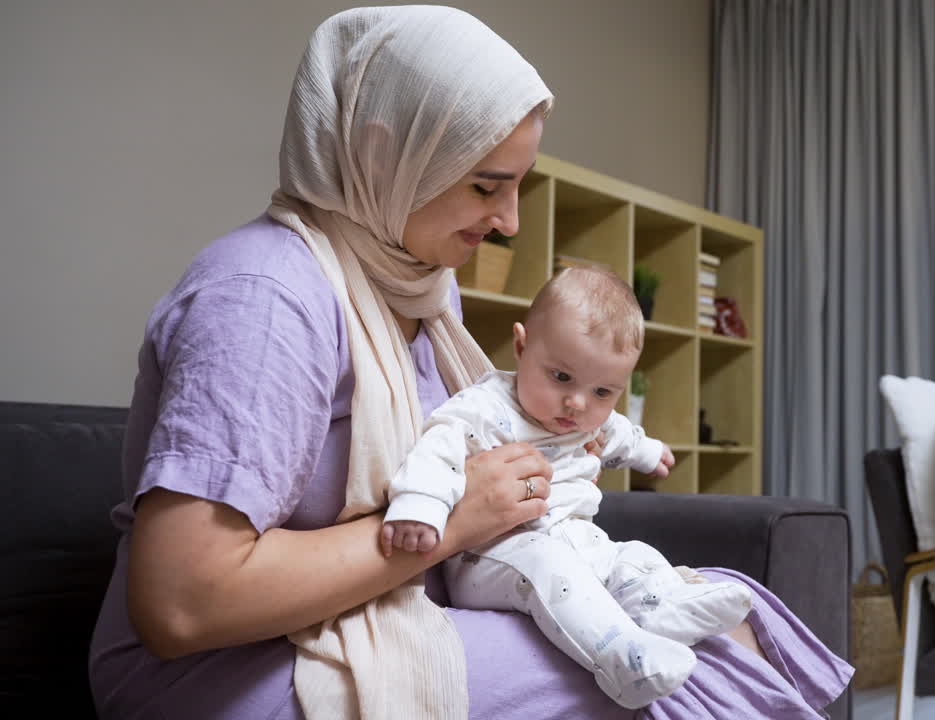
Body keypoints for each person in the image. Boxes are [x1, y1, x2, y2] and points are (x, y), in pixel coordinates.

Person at [88, 6, 852, 719]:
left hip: (382, 607)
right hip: (225, 668)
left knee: (722, 608)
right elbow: (183, 604)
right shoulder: (265, 298)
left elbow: (478, 434)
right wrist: (453, 522)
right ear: (385, 152)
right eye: (488, 186)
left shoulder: (422, 290)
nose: (510, 221)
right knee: (676, 666)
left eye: (518, 186)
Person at [380, 266, 753, 708]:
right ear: (521, 346)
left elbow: (619, 432)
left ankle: (662, 607)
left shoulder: (587, 417)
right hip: (496, 555)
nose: (577, 404)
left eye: (602, 391)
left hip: (577, 539)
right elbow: (436, 447)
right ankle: (621, 659)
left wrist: (650, 453)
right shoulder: (487, 407)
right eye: (561, 378)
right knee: (551, 564)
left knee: (632, 554)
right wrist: (420, 506)